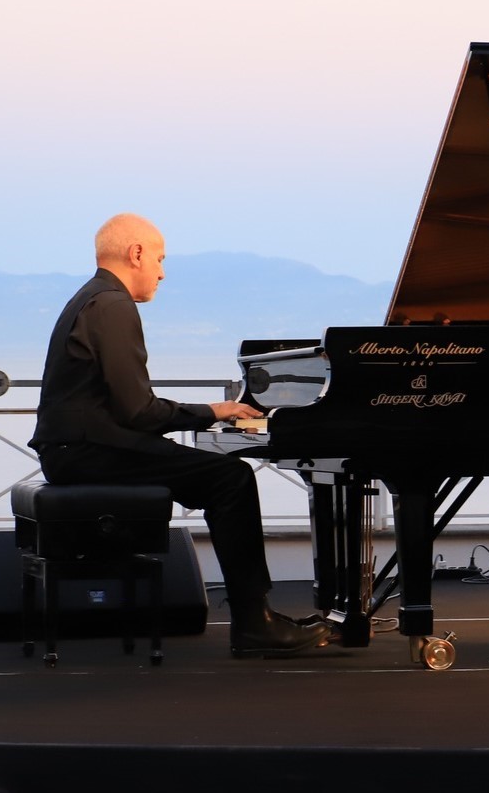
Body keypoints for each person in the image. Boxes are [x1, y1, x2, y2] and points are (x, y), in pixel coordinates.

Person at [29, 213, 331, 657]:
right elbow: (139, 411)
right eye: (159, 259)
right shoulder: (112, 305)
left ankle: (258, 617)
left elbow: (125, 409)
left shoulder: (89, 299)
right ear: (136, 253)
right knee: (230, 478)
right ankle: (254, 623)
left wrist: (195, 422)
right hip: (88, 453)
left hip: (77, 449)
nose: (162, 272)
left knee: (218, 474)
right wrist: (213, 411)